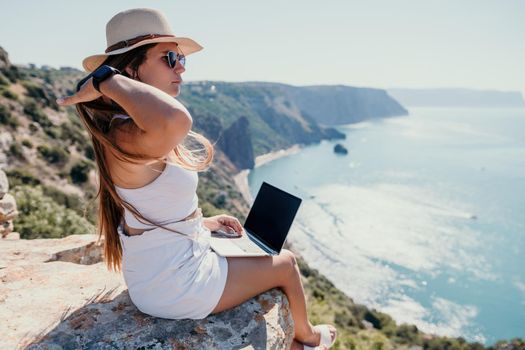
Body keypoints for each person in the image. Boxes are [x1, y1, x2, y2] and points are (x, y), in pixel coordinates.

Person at [57, 8, 337, 350]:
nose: (181, 67)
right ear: (131, 68)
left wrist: (203, 224)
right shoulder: (127, 135)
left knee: (258, 250)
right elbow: (177, 120)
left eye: (181, 58)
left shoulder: (127, 129)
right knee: (286, 264)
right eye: (169, 57)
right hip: (176, 286)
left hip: (167, 271)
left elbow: (151, 207)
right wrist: (107, 79)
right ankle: (306, 338)